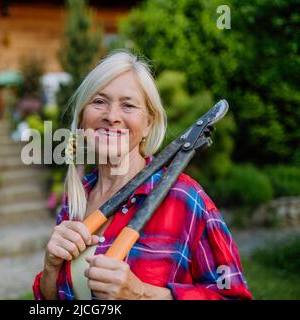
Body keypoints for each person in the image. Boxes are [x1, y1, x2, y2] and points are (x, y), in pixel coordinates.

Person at [33, 50, 252, 300]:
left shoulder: (185, 199)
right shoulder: (77, 197)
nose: (111, 116)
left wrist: (143, 295)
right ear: (83, 119)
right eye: (99, 102)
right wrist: (51, 268)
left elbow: (231, 295)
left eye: (128, 105)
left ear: (148, 123)